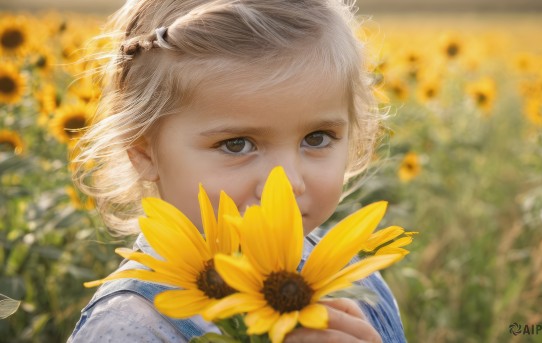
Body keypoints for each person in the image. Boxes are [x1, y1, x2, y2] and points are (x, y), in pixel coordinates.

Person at [68, 0, 407, 342]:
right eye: (237, 144)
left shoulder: (357, 283)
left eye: (316, 138)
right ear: (144, 153)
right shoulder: (131, 329)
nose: (287, 182)